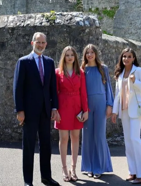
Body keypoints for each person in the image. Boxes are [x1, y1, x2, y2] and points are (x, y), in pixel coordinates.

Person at [13, 32, 61, 186]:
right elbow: (18, 88)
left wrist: (54, 107)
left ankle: (46, 177)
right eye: (38, 42)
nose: (40, 45)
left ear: (46, 44)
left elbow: (53, 88)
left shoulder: (49, 62)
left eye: (43, 42)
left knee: (46, 145)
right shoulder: (23, 62)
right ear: (32, 43)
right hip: (28, 112)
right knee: (28, 146)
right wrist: (19, 110)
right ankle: (28, 181)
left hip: (46, 111)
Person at [111, 47, 141, 184]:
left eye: (129, 56)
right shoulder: (120, 74)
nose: (126, 59)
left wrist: (135, 82)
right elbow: (117, 94)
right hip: (124, 110)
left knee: (135, 139)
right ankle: (132, 171)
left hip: (136, 110)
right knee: (127, 141)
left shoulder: (139, 71)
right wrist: (115, 111)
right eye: (124, 56)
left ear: (133, 58)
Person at [54, 46, 89, 182]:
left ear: (75, 57)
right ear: (64, 57)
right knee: (63, 139)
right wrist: (55, 110)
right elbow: (55, 93)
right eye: (67, 55)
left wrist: (85, 110)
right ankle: (64, 169)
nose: (70, 57)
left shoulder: (80, 72)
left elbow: (84, 93)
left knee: (75, 138)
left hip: (77, 108)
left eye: (72, 55)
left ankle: (73, 168)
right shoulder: (57, 72)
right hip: (63, 107)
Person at [80, 44, 114, 179]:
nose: (90, 55)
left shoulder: (103, 69)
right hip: (87, 105)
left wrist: (109, 105)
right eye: (87, 52)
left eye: (92, 52)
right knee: (87, 136)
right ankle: (89, 167)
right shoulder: (82, 70)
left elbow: (108, 88)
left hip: (101, 104)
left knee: (99, 136)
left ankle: (99, 166)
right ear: (84, 55)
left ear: (96, 54)